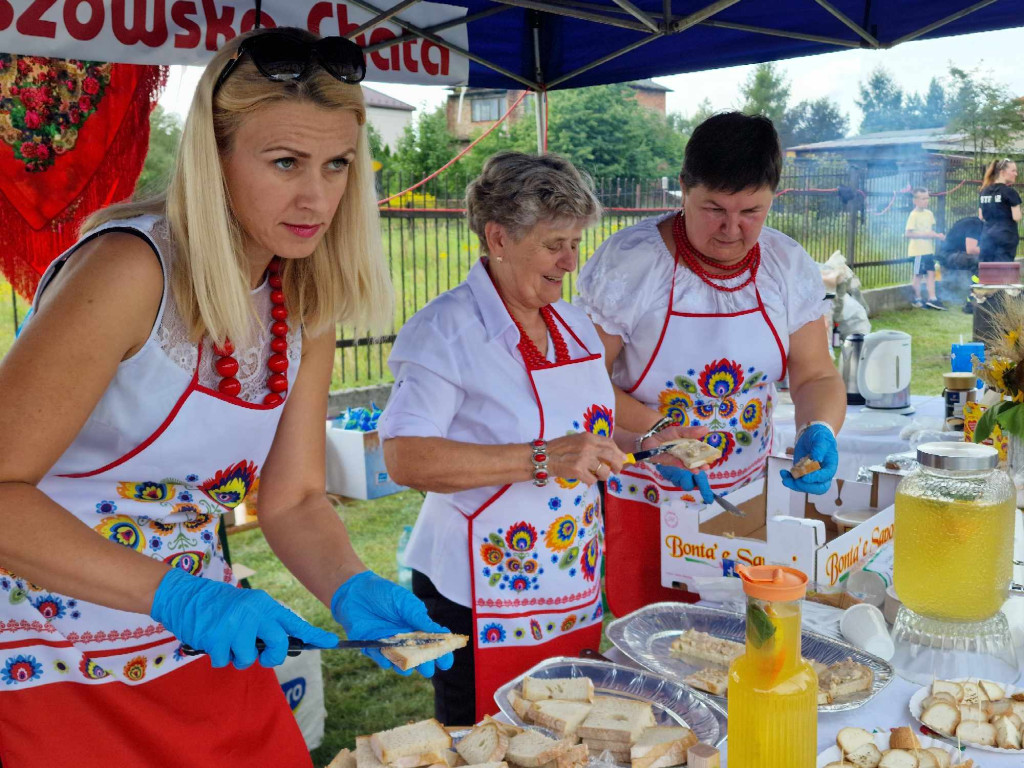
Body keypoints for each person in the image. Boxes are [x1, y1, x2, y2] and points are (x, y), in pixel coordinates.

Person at [0, 28, 450, 767]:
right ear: (214, 159)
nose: (318, 196)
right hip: (52, 665)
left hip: (203, 653)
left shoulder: (304, 296)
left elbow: (296, 498)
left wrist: (349, 584)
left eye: (338, 165)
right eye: (284, 163)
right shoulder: (128, 270)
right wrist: (184, 597)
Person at [379, 152, 696, 725]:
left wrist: (653, 439)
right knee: (489, 739)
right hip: (477, 592)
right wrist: (542, 459)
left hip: (568, 584)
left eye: (576, 243)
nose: (570, 263)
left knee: (564, 733)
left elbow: (593, 423)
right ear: (498, 237)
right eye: (556, 245)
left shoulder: (570, 323)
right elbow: (405, 456)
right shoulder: (446, 331)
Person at [576, 112, 846, 618]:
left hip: (749, 496)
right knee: (658, 646)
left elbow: (816, 374)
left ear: (773, 198)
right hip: (649, 495)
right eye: (714, 209)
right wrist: (662, 434)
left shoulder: (786, 264)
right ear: (683, 189)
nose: (731, 229)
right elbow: (580, 384)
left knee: (744, 638)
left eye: (751, 211)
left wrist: (822, 429)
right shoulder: (633, 263)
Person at [905, 187, 946, 310]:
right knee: (918, 275)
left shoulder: (929, 214)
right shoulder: (913, 215)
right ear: (915, 201)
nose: (926, 201)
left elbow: (930, 231)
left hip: (928, 251)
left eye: (927, 198)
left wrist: (937, 236)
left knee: (931, 274)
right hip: (917, 251)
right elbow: (908, 234)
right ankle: (916, 299)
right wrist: (927, 235)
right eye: (923, 199)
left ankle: (932, 298)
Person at [938, 215, 983, 314]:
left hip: (951, 254)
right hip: (948, 256)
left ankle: (980, 297)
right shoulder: (975, 224)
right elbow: (970, 249)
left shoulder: (974, 222)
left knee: (982, 262)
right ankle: (971, 303)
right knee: (980, 264)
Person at [979, 158, 1021, 263]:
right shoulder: (1010, 192)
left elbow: (981, 216)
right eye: (1013, 171)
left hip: (987, 237)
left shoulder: (984, 191)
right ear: (1002, 172)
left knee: (986, 271)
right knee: (1002, 272)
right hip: (1005, 238)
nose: (1016, 174)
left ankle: (975, 280)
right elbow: (1017, 217)